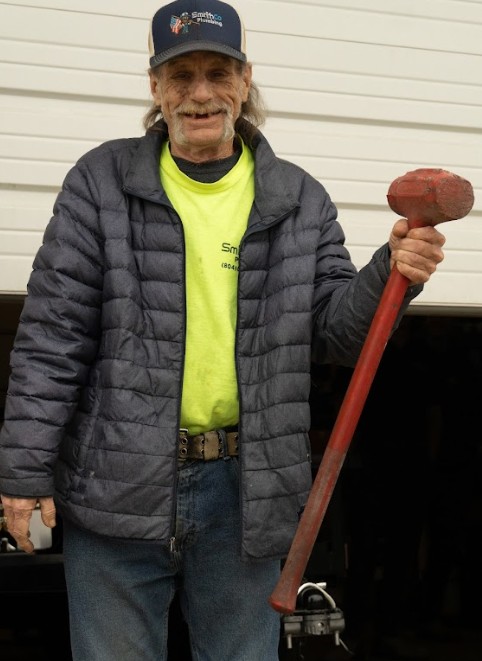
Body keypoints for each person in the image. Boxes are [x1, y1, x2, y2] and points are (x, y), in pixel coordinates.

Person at [0, 1, 446, 659]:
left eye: (218, 72)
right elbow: (52, 338)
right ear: (155, 87)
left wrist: (392, 272)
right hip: (116, 482)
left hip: (247, 493)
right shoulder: (100, 183)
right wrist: (23, 471)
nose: (201, 93)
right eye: (181, 75)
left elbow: (336, 333)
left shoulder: (298, 198)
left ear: (245, 79)